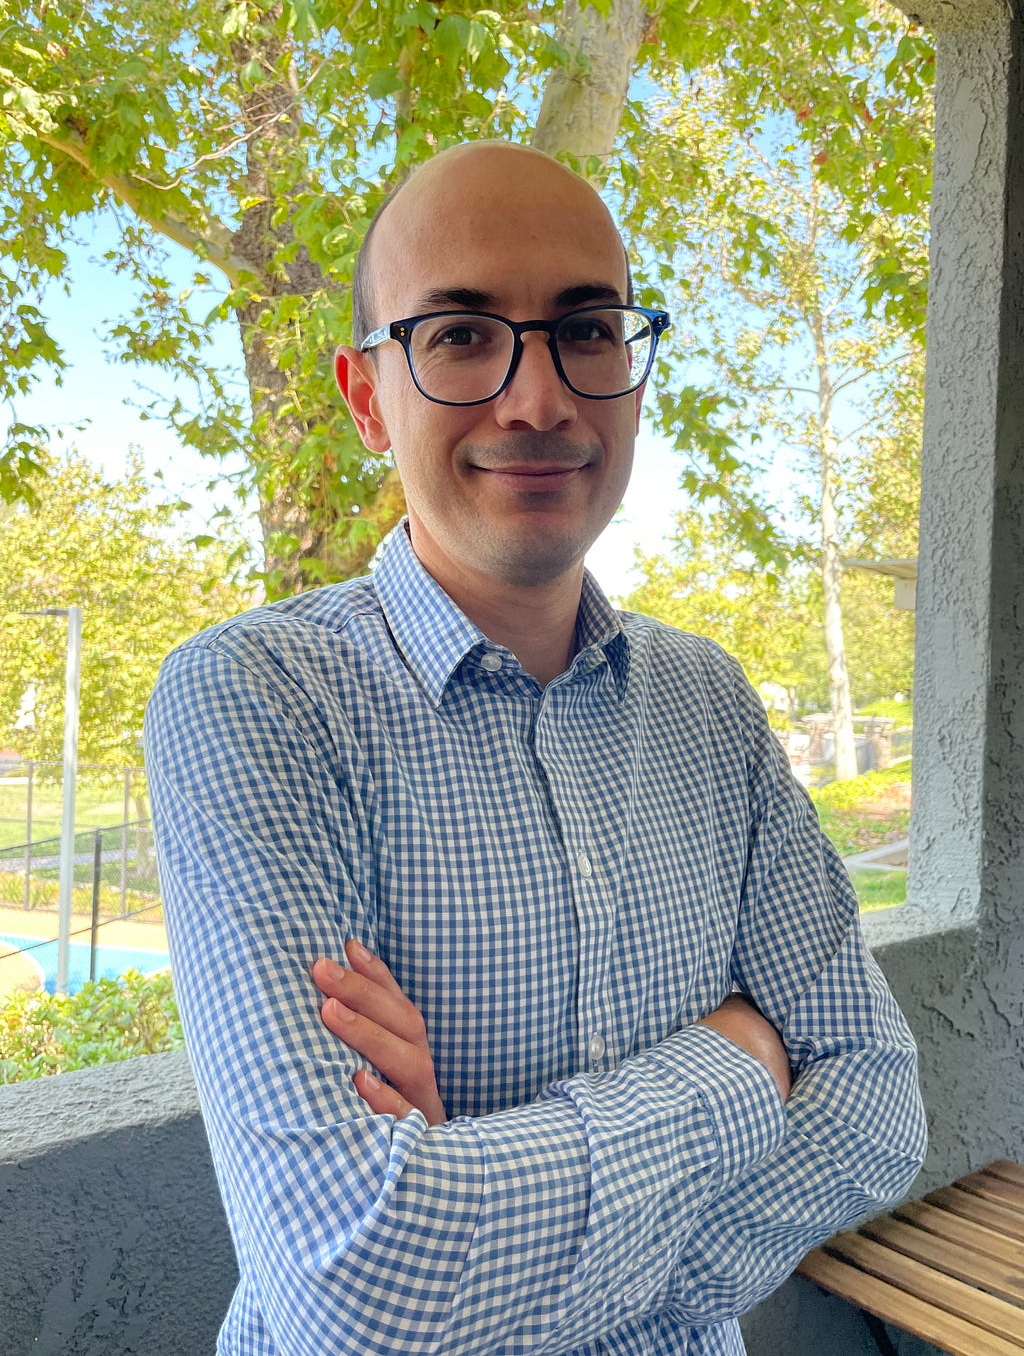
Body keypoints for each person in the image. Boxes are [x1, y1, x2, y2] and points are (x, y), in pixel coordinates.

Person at [145, 140, 927, 1356]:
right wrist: (739, 1063)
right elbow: (346, 1283)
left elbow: (876, 1099)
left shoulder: (709, 705)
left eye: (587, 328)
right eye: (460, 335)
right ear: (366, 398)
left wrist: (480, 1207)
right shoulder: (255, 701)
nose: (538, 398)